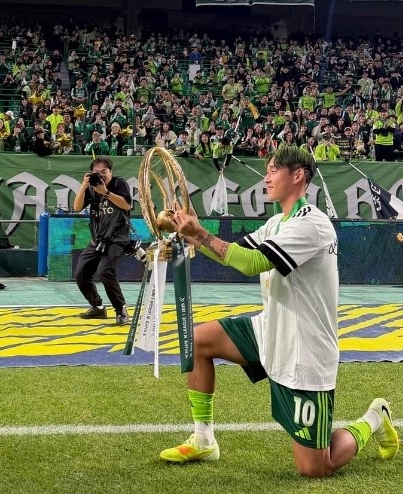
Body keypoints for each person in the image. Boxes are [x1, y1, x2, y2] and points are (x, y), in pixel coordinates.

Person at [160, 146, 399, 477]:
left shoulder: (312, 224)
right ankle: (203, 439)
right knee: (198, 340)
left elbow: (252, 262)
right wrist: (193, 240)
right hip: (270, 329)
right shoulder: (276, 223)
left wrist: (200, 234)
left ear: (298, 175)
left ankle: (374, 418)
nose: (266, 178)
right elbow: (234, 252)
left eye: (273, 170)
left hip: (305, 351)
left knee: (315, 467)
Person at [72, 157, 132, 325]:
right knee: (81, 273)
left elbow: (127, 205)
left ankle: (121, 310)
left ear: (110, 171)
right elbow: (76, 207)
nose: (100, 175)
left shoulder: (119, 183)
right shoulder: (92, 186)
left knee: (105, 271)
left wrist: (105, 192)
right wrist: (84, 186)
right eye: (96, 172)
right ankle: (97, 307)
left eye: (104, 172)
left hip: (117, 237)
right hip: (97, 238)